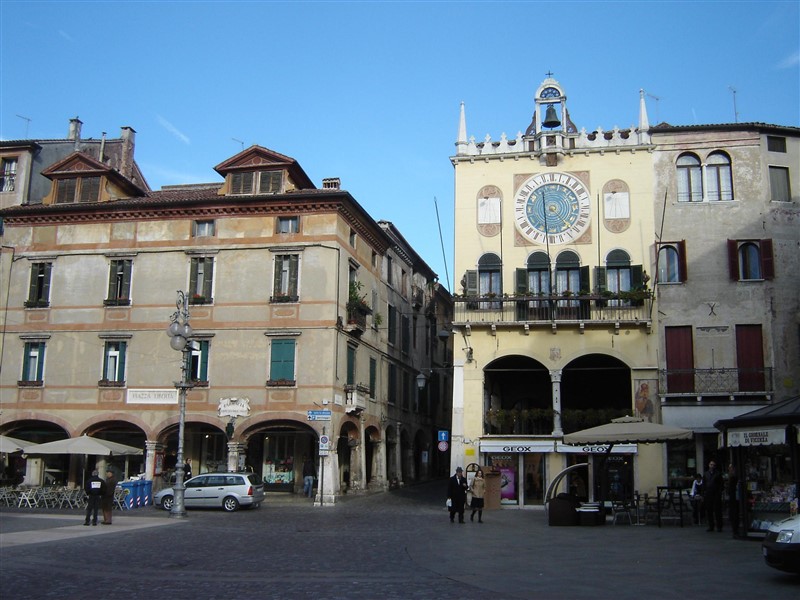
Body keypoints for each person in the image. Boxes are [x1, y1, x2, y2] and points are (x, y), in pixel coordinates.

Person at [703, 460, 724, 532]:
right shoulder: (706, 474)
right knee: (709, 510)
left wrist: (719, 492)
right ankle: (711, 526)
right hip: (708, 494)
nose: (712, 466)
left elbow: (721, 484)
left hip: (716, 494)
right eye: (711, 464)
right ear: (709, 465)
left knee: (717, 510)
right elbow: (704, 484)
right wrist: (704, 492)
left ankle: (719, 526)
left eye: (713, 465)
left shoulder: (718, 474)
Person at [727, 464, 740, 537]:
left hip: (734, 498)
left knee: (734, 514)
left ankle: (735, 529)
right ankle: (735, 529)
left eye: (731, 468)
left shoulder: (733, 477)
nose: (729, 469)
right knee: (733, 513)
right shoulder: (732, 477)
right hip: (733, 497)